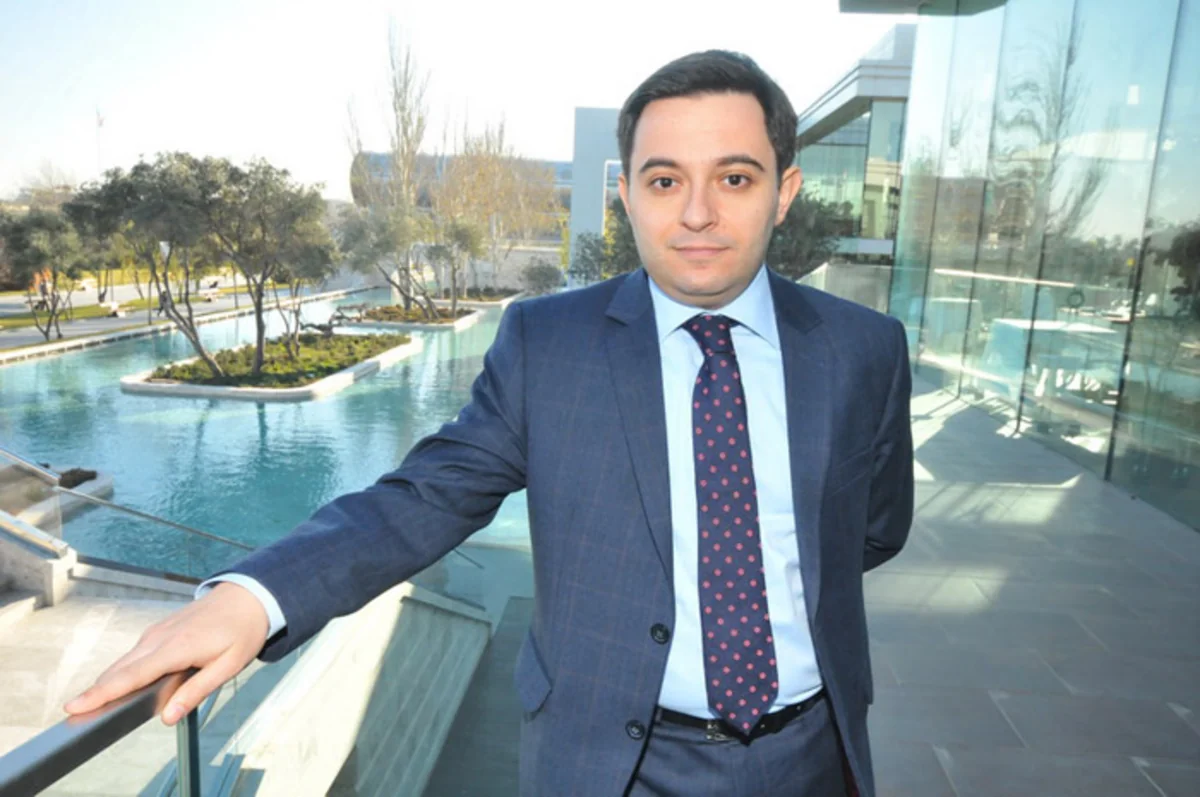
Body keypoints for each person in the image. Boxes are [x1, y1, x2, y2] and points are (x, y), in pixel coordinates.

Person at [66, 50, 913, 797]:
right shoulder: (550, 343)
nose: (697, 212)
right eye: (664, 181)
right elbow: (426, 494)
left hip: (810, 756)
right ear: (625, 194)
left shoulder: (863, 349)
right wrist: (258, 597)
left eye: (734, 178)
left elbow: (873, 528)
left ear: (783, 191)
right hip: (611, 760)